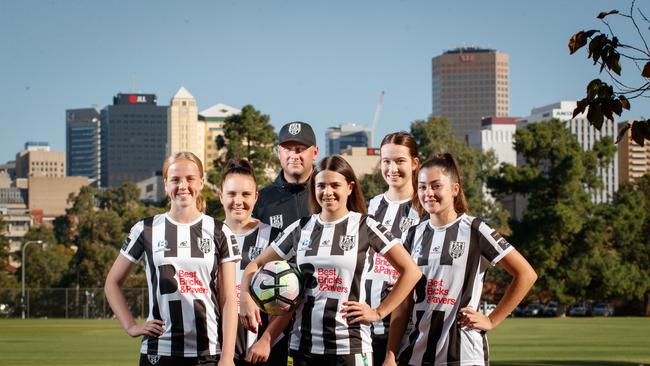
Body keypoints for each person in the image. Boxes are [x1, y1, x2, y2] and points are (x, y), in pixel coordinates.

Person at [240, 155, 422, 366]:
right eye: (321, 185)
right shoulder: (301, 228)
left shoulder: (366, 226)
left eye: (335, 185)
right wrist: (246, 297)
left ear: (350, 187)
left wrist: (378, 312)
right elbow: (255, 264)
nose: (327, 192)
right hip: (302, 348)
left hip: (350, 347)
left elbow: (411, 271)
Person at [384, 153, 537, 366]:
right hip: (416, 355)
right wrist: (391, 354)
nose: (428, 193)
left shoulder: (475, 230)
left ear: (455, 189)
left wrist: (491, 320)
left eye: (436, 186)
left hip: (463, 355)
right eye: (422, 187)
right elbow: (403, 302)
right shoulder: (413, 234)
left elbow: (526, 274)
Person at [105, 152, 241, 366]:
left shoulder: (219, 231)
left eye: (190, 178)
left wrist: (227, 356)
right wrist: (131, 327)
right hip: (159, 350)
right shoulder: (146, 229)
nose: (183, 185)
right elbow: (112, 283)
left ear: (202, 182)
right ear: (166, 184)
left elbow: (229, 300)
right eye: (176, 179)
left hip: (207, 352)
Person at [218, 158, 288, 366]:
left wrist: (267, 340)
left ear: (256, 197)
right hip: (217, 351)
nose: (238, 201)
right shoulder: (208, 235)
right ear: (221, 196)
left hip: (266, 351)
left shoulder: (275, 237)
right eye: (231, 194)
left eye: (246, 194)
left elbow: (293, 297)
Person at [366, 132, 421, 366]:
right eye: (386, 161)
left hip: (409, 331)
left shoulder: (426, 207)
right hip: (367, 327)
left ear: (415, 163)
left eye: (400, 161)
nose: (392, 168)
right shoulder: (370, 205)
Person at [252, 121, 319, 230]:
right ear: (279, 153)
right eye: (287, 149)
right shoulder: (261, 200)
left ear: (315, 153)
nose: (293, 156)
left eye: (300, 149)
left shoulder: (328, 194)